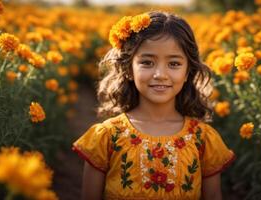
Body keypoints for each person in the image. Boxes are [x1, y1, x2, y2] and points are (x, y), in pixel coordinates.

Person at [72, 11, 235, 200]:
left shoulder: (202, 139)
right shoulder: (107, 137)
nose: (160, 74)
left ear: (188, 72)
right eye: (147, 62)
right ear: (128, 69)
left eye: (173, 64)